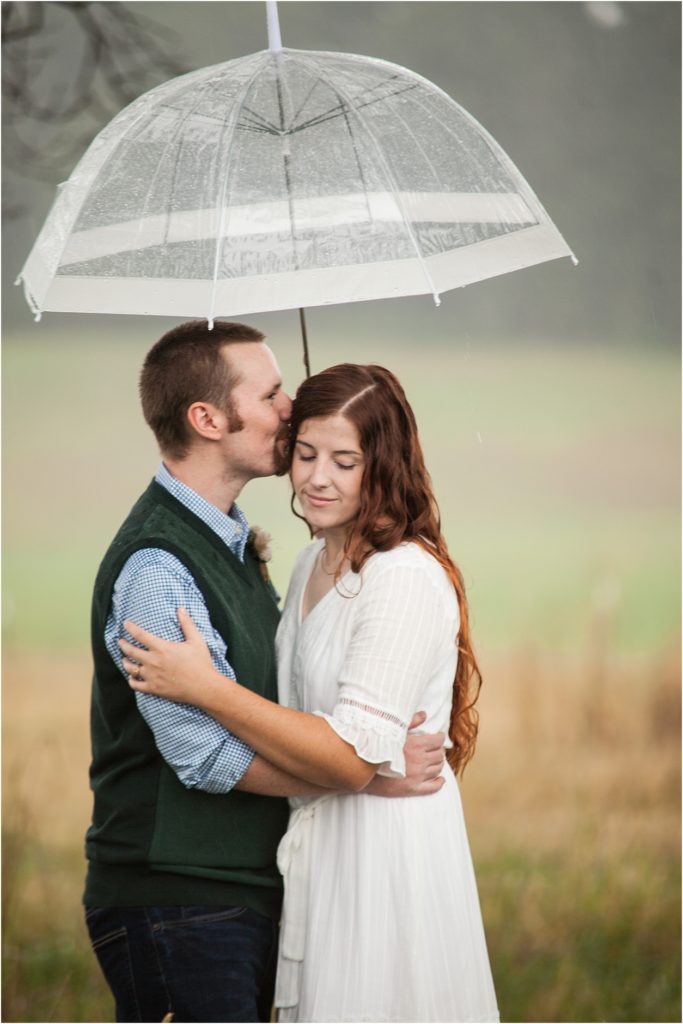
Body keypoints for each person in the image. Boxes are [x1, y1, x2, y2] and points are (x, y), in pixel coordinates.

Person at [84, 322, 445, 1024]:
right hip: (176, 896)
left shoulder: (236, 543)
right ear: (208, 418)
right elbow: (204, 755)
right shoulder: (158, 567)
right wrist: (367, 771)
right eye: (272, 392)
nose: (290, 405)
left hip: (226, 893)